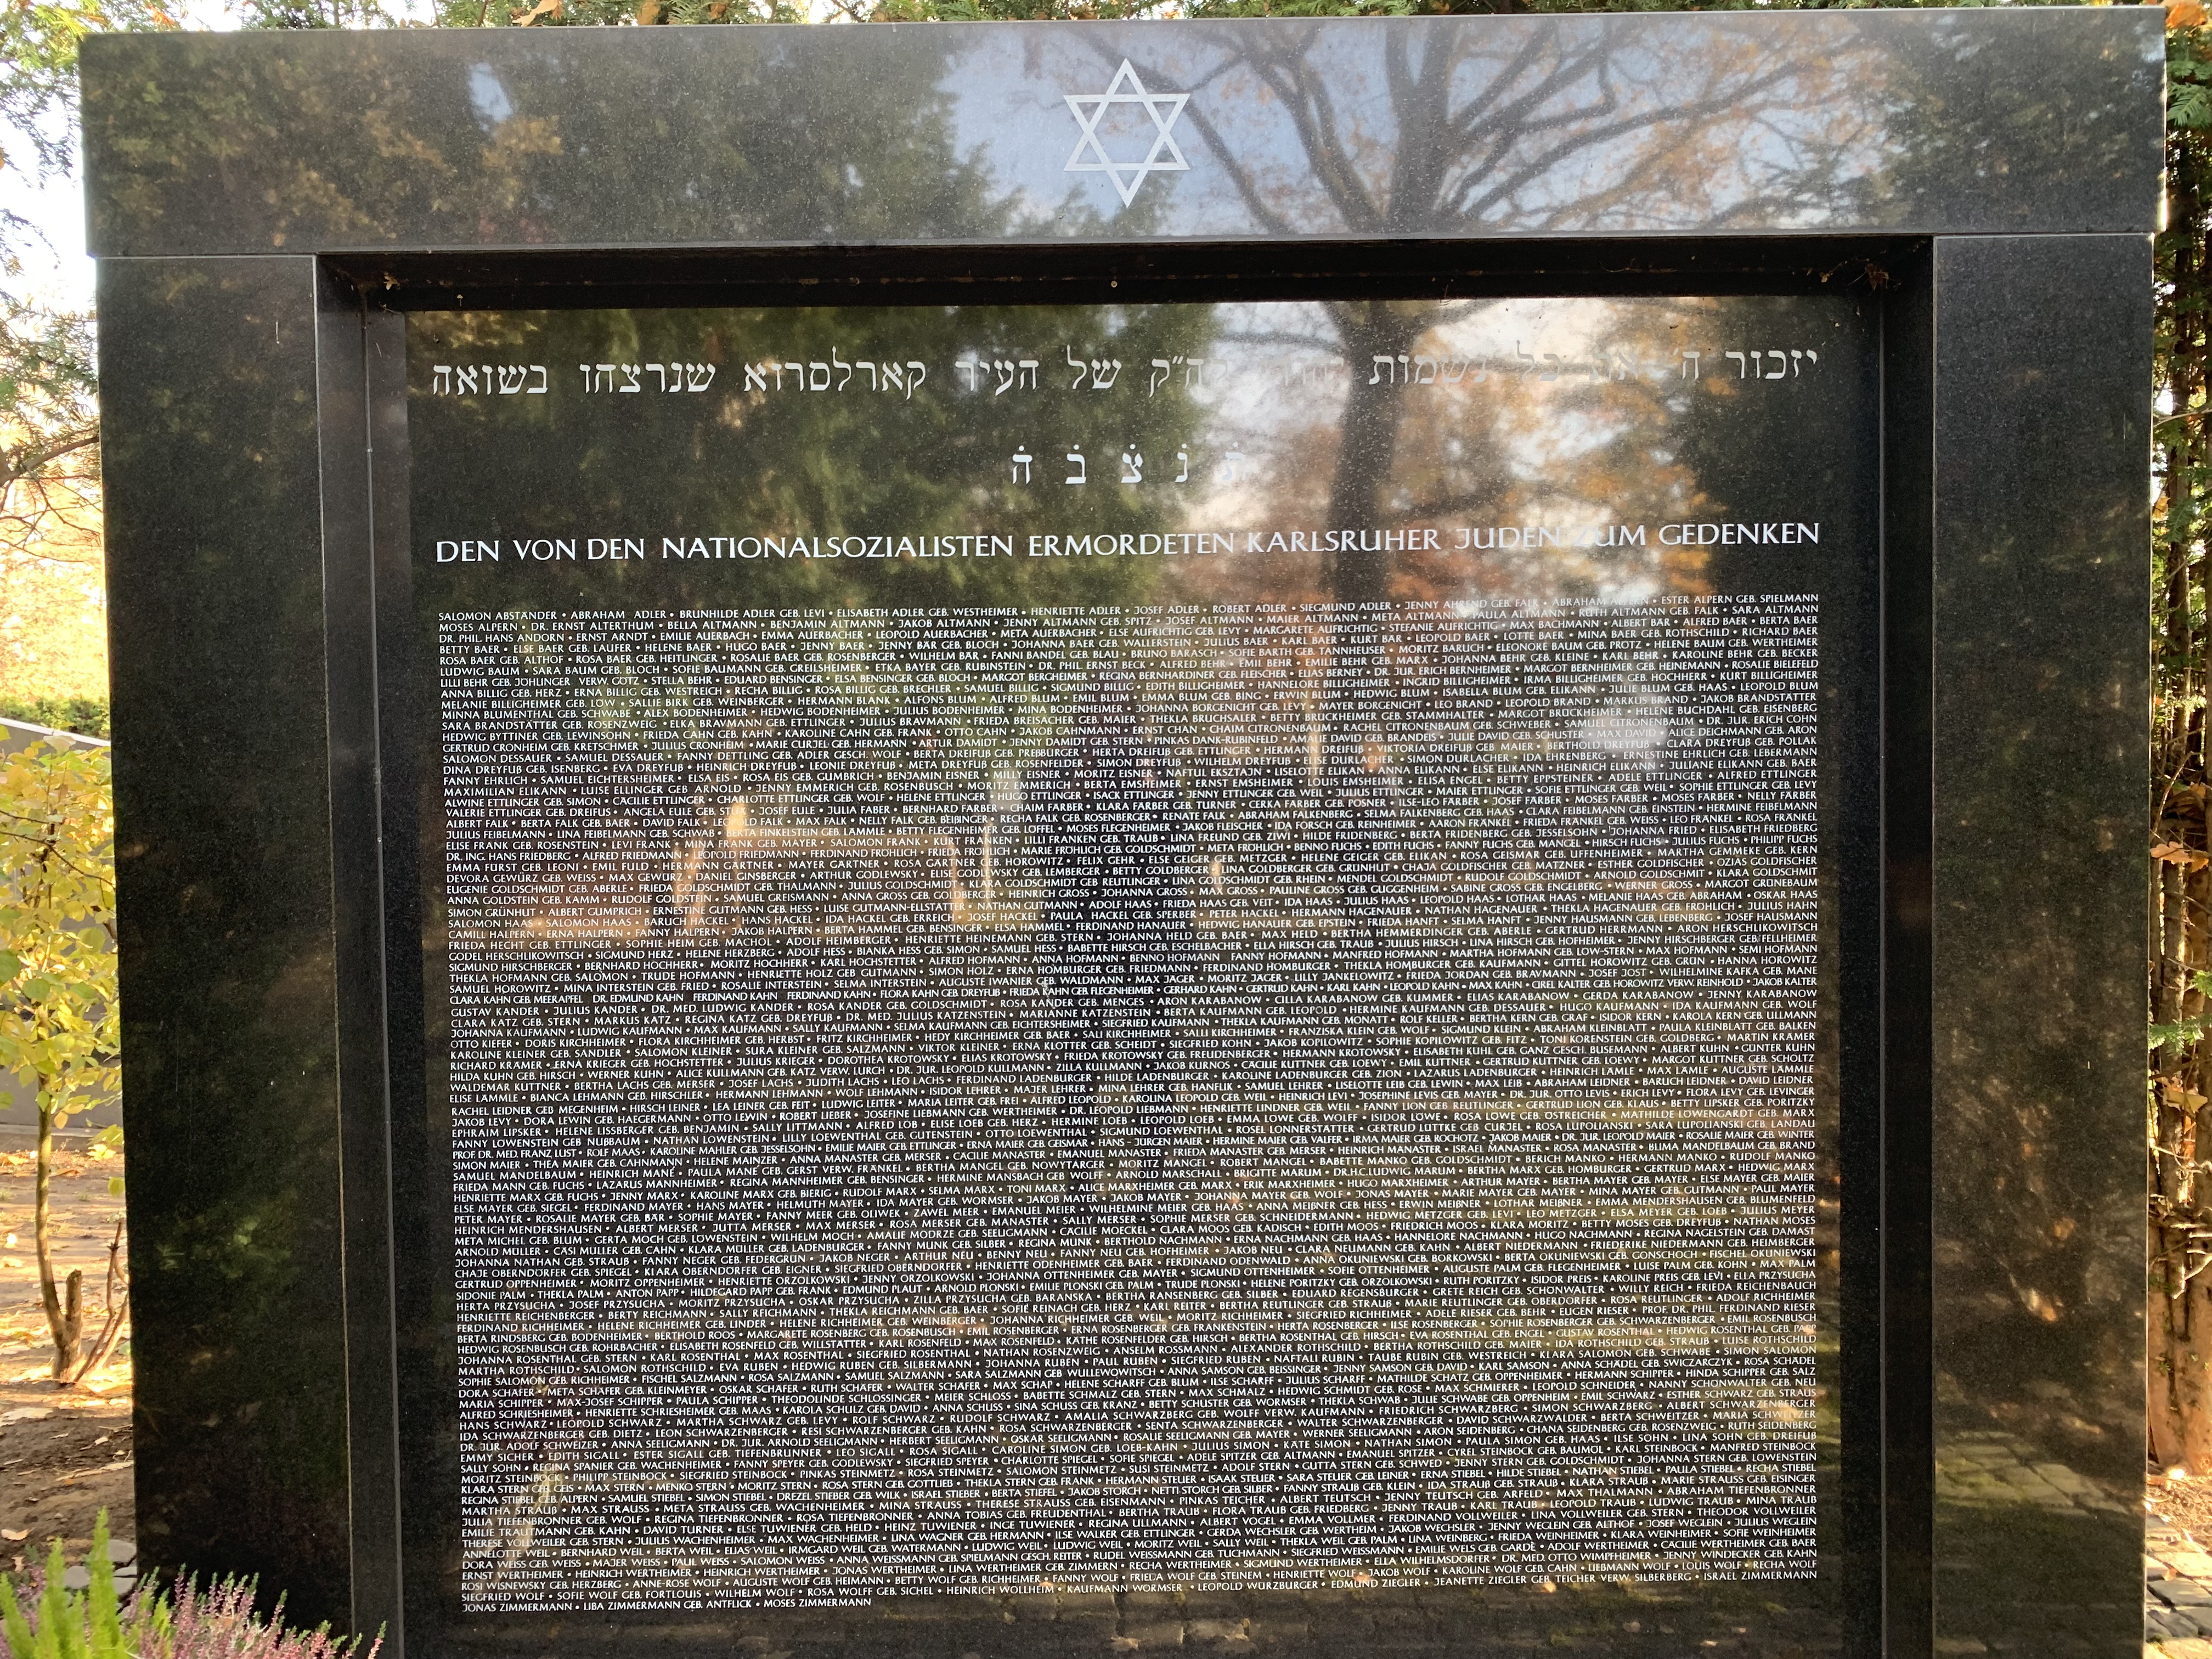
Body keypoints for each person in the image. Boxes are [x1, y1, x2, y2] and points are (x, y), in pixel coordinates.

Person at [1024, 670, 1194, 1220]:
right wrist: (1086, 801)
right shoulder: (1056, 769)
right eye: (1097, 712)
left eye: (1118, 713)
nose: (1107, 726)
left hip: (1147, 936)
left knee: (1153, 1067)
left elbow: (1173, 845)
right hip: (1081, 937)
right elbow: (1047, 847)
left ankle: (1154, 1189)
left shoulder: (1154, 765)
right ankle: (1079, 1192)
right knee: (1077, 1065)